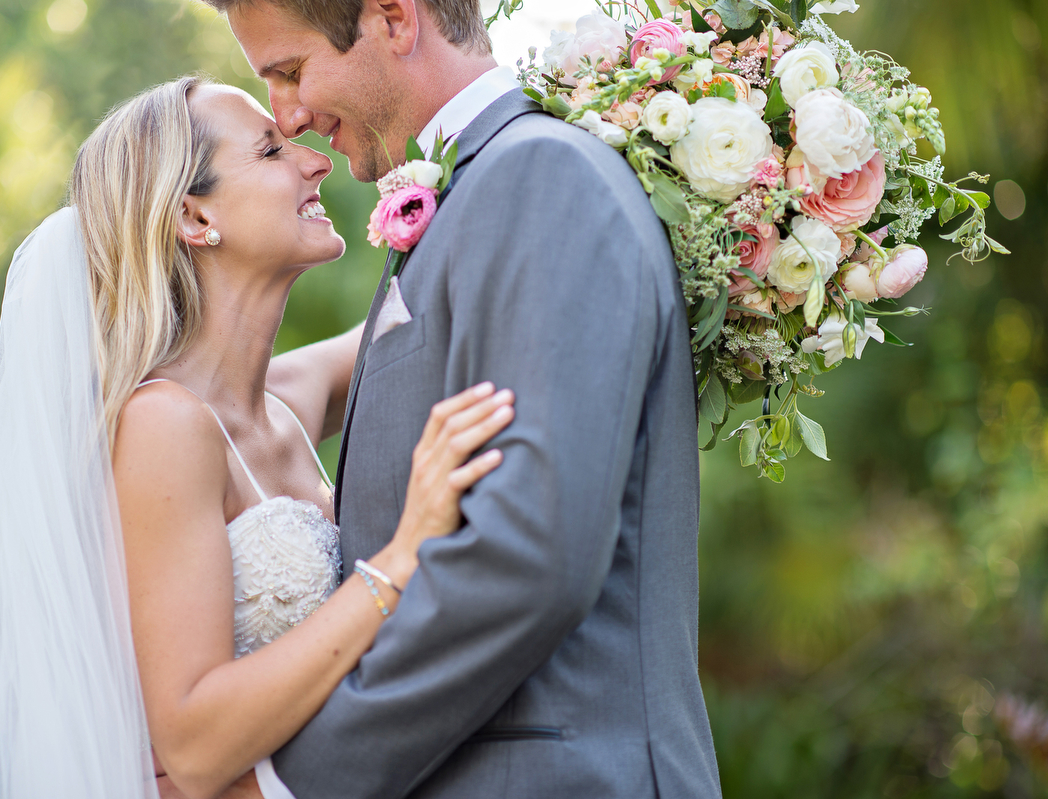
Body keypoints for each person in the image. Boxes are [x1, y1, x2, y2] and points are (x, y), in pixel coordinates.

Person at [0, 75, 514, 799]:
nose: (313, 160)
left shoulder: (282, 401)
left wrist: (593, 115)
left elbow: (421, 313)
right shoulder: (164, 426)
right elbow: (193, 742)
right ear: (193, 216)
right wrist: (401, 558)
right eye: (272, 150)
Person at [211, 0, 723, 797]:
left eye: (290, 71)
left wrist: (288, 785)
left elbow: (524, 559)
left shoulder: (539, 176)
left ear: (391, 19)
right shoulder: (468, 197)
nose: (291, 115)